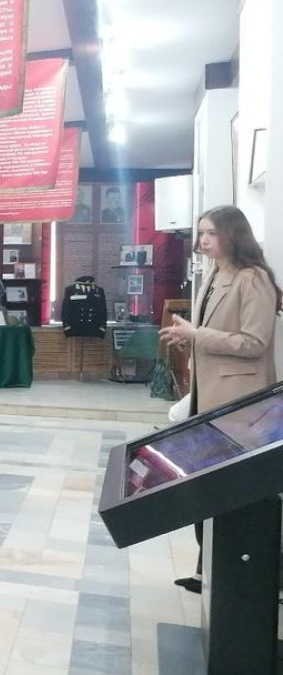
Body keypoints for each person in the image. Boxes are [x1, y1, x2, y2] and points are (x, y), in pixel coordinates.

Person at [159, 205, 281, 594]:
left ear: (233, 235)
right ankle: (204, 569)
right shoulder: (213, 274)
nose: (203, 241)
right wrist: (188, 339)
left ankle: (232, 576)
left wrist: (198, 336)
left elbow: (254, 342)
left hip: (239, 402)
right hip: (207, 397)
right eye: (201, 233)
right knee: (205, 487)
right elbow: (211, 333)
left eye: (211, 233)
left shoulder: (253, 278)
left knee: (232, 490)